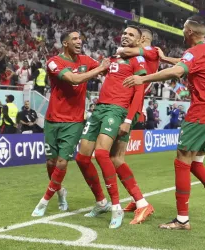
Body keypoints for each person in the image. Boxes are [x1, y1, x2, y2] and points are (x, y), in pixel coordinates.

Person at [123, 16, 205, 230]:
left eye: (183, 29)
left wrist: (144, 78)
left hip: (201, 111)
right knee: (196, 164)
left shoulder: (193, 52)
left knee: (182, 160)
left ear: (190, 32)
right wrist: (166, 59)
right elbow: (188, 65)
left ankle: (182, 219)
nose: (182, 32)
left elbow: (180, 70)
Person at [75, 26, 151, 229]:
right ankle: (102, 203)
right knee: (82, 158)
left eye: (131, 35)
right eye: (124, 33)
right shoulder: (114, 58)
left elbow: (139, 91)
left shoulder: (138, 60)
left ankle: (116, 206)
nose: (126, 36)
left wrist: (128, 119)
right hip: (99, 108)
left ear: (138, 41)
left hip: (117, 110)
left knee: (102, 154)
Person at [31, 30, 110, 217]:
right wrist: (99, 69)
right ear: (65, 43)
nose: (79, 41)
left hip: (74, 121)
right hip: (52, 119)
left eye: (80, 38)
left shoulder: (85, 60)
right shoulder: (54, 62)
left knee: (62, 161)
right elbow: (74, 79)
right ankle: (59, 192)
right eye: (74, 38)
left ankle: (43, 202)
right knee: (51, 161)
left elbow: (106, 67)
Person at [110, 27, 160, 216]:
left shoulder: (150, 53)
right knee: (114, 157)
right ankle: (136, 198)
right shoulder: (144, 57)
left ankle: (141, 201)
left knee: (115, 158)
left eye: (141, 40)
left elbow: (123, 50)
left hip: (129, 108)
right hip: (127, 105)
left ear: (143, 39)